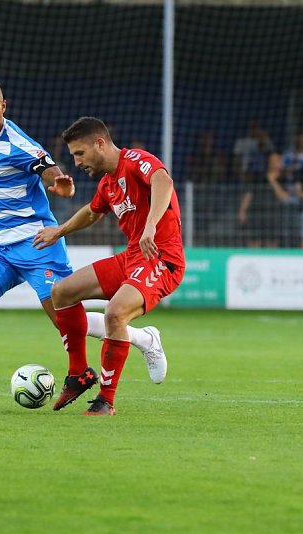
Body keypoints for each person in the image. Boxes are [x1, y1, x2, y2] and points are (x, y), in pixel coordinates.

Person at [0, 80, 145, 410]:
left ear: (4, 106)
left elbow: (47, 167)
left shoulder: (19, 143)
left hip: (37, 244)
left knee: (66, 321)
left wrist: (58, 183)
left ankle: (144, 338)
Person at [33, 117, 184, 416]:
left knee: (115, 313)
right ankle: (78, 374)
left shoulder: (135, 159)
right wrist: (59, 231)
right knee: (61, 292)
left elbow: (163, 181)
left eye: (79, 154)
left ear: (100, 143)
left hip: (161, 258)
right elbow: (92, 212)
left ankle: (106, 400)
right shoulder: (108, 183)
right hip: (130, 258)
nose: (76, 162)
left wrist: (150, 225)